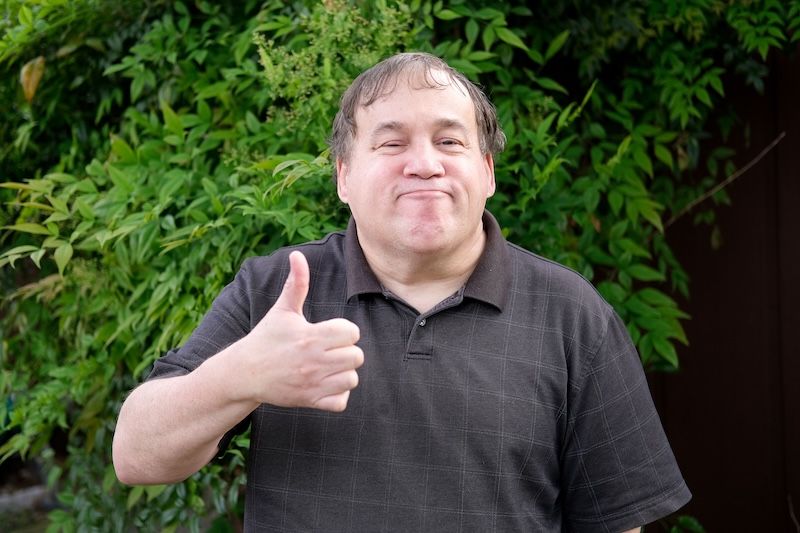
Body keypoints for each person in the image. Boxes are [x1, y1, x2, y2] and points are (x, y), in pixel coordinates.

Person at [113, 52, 690, 532]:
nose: (424, 164)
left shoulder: (571, 315)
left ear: (487, 171)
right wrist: (241, 376)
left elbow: (617, 522)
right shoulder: (278, 291)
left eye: (450, 142)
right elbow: (137, 455)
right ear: (344, 175)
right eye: (391, 144)